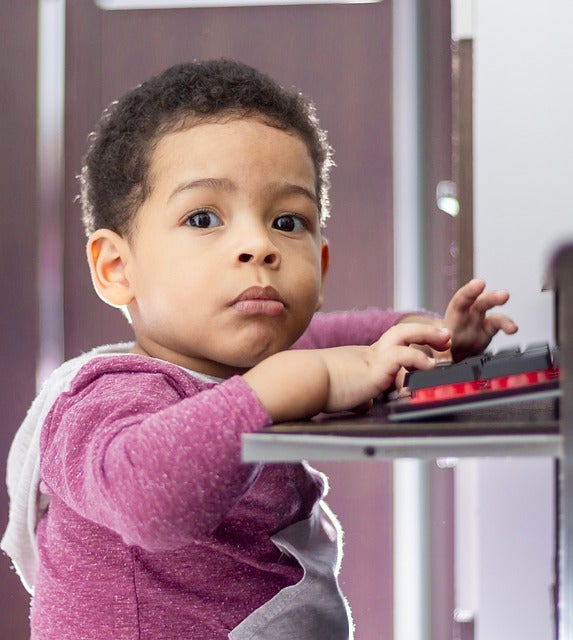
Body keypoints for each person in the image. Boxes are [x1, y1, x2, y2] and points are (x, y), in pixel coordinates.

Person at [1, 59, 517, 640]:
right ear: (117, 268)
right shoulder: (104, 399)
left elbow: (355, 342)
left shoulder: (256, 362)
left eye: (287, 222)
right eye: (204, 217)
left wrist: (438, 337)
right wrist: (290, 385)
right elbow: (145, 499)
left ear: (320, 265)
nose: (258, 245)